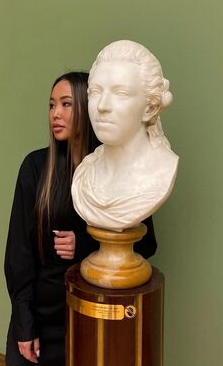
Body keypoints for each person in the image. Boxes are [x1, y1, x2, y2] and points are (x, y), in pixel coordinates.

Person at [2, 70, 158, 366]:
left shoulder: (120, 172)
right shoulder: (35, 167)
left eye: (66, 104)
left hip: (93, 315)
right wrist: (24, 323)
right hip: (40, 312)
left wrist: (85, 246)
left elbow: (147, 244)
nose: (55, 114)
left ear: (89, 109)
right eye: (51, 105)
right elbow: (18, 255)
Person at [72, 40, 179, 232]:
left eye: (120, 93)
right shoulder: (85, 175)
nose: (102, 106)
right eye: (95, 92)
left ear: (149, 108)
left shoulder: (160, 172)